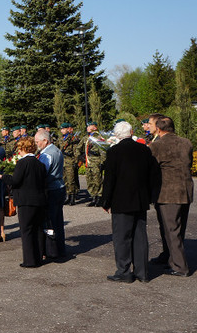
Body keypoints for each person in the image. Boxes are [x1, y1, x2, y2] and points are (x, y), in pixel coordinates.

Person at [101, 121, 160, 283]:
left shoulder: (114, 151)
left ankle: (124, 271)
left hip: (121, 201)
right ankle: (142, 272)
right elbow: (153, 174)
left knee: (122, 237)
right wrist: (150, 195)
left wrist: (105, 200)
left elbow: (109, 179)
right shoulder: (144, 150)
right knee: (140, 236)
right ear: (131, 132)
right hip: (140, 199)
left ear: (116, 135)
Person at [149, 116, 194, 277]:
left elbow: (153, 169)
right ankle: (170, 256)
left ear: (159, 129)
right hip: (185, 189)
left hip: (167, 192)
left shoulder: (157, 146)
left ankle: (180, 266)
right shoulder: (186, 142)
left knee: (170, 229)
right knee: (178, 227)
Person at [1, 137, 48, 268]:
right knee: (38, 229)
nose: (18, 152)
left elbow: (15, 180)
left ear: (23, 148)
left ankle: (29, 260)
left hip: (26, 201)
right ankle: (39, 257)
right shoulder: (40, 164)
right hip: (39, 200)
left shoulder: (22, 163)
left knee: (26, 230)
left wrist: (4, 177)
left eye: (19, 149)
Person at [35, 130, 67, 259]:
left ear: (45, 141)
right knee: (58, 220)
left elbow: (42, 173)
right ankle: (60, 248)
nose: (36, 144)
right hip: (60, 186)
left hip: (51, 188)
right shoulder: (56, 150)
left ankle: (52, 251)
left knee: (50, 221)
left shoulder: (46, 155)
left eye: (37, 142)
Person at [83, 122, 106, 207]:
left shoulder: (98, 137)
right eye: (87, 126)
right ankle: (93, 197)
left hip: (96, 162)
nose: (88, 127)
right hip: (88, 162)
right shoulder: (86, 138)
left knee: (97, 180)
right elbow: (79, 148)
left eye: (90, 126)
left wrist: (102, 162)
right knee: (90, 180)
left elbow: (102, 151)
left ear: (95, 127)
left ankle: (99, 198)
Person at [57, 122, 81, 205]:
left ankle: (72, 197)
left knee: (71, 180)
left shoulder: (73, 138)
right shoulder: (60, 139)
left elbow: (76, 151)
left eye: (64, 129)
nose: (62, 130)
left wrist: (76, 161)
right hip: (63, 161)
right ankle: (67, 196)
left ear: (68, 129)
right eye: (61, 129)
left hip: (70, 161)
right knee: (65, 180)